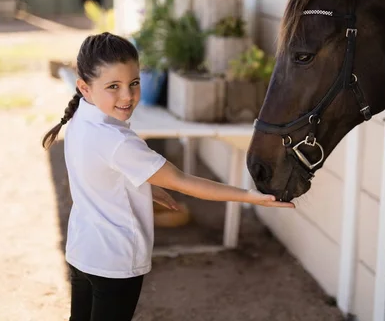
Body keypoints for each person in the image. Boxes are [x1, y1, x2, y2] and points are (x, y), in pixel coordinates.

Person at [42, 32, 294, 321]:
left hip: (83, 251)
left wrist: (144, 187)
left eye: (134, 83)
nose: (127, 96)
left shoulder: (80, 119)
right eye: (114, 86)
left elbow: (98, 173)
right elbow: (182, 181)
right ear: (85, 88)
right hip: (114, 260)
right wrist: (251, 197)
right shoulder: (117, 141)